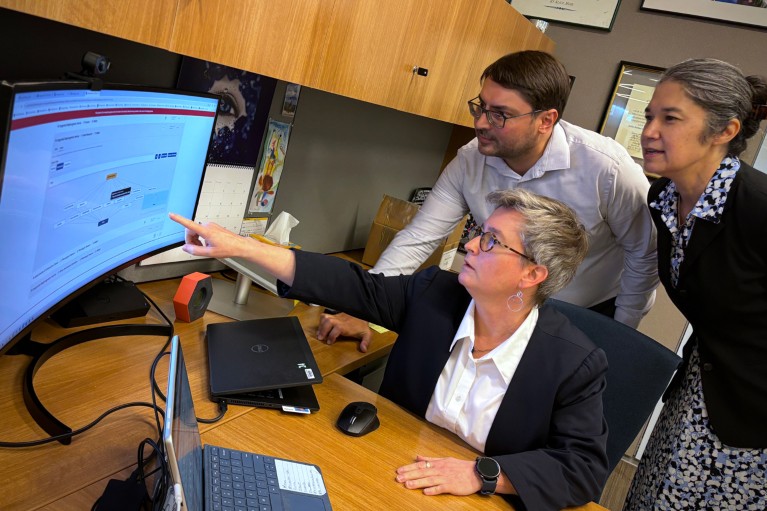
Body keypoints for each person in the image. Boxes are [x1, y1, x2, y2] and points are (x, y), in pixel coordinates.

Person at [169, 188, 609, 510]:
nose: (471, 244)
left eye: (492, 241)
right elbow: (351, 285)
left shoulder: (573, 362)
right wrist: (240, 246)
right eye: (479, 232)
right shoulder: (435, 292)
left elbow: (583, 468)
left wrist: (484, 474)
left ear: (532, 275)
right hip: (391, 469)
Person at [321, 50, 657, 353]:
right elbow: (419, 237)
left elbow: (645, 257)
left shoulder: (608, 170)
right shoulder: (470, 160)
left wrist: (617, 337)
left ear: (545, 120)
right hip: (503, 304)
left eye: (500, 114)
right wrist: (364, 308)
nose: (481, 122)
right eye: (480, 106)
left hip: (586, 312)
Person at [623, 58, 767, 510]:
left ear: (725, 131)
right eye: (649, 115)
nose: (649, 130)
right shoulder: (663, 197)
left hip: (754, 414)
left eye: (670, 118)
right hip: (697, 388)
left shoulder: (758, 206)